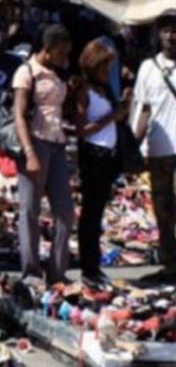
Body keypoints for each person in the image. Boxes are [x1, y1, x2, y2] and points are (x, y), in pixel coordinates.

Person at [13, 24, 74, 286]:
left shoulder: (56, 74)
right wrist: (29, 153)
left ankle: (57, 270)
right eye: (61, 54)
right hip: (35, 144)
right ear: (47, 51)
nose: (65, 59)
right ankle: (32, 270)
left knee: (65, 211)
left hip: (57, 144)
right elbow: (19, 115)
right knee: (30, 209)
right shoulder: (26, 73)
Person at [73, 41, 130, 286]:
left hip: (107, 156)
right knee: (91, 215)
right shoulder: (83, 90)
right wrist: (110, 117)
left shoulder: (104, 89)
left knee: (97, 214)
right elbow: (81, 130)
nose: (108, 72)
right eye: (105, 67)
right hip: (93, 156)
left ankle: (94, 266)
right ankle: (89, 268)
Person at [133, 10, 176, 284]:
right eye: (166, 30)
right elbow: (142, 109)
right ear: (158, 35)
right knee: (163, 209)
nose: (171, 36)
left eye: (175, 30)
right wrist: (132, 149)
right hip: (158, 151)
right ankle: (170, 265)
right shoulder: (148, 68)